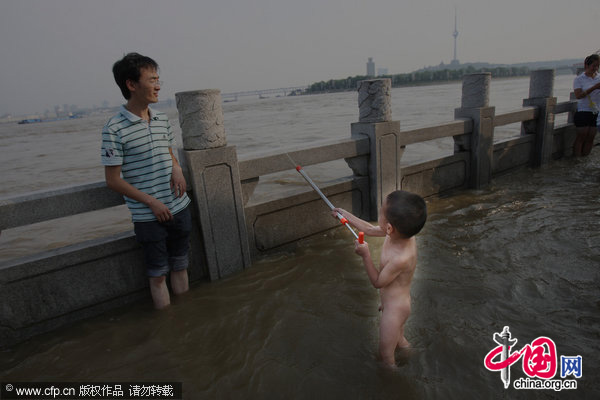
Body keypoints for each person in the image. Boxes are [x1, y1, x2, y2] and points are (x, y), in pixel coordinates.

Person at [101, 53, 192, 309]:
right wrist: (152, 202)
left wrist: (177, 168)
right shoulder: (114, 128)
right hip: (149, 217)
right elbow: (112, 180)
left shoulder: (162, 119)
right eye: (152, 79)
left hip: (179, 207)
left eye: (158, 79)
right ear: (131, 84)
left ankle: (186, 319)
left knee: (181, 266)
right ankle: (169, 326)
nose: (158, 85)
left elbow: (169, 152)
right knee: (158, 275)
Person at [333, 190, 427, 367]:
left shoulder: (400, 258)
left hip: (394, 310)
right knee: (400, 342)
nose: (379, 213)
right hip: (397, 303)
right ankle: (415, 358)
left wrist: (366, 255)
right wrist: (344, 215)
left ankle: (394, 383)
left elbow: (378, 282)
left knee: (386, 357)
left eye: (381, 212)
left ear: (389, 227)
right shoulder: (400, 233)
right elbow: (368, 229)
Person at [572, 54, 600, 157]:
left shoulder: (599, 77)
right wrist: (594, 87)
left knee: (591, 137)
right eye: (594, 66)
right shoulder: (579, 79)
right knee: (581, 137)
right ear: (587, 65)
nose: (596, 68)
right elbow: (578, 95)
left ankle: (585, 159)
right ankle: (577, 160)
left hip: (596, 112)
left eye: (598, 66)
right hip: (583, 111)